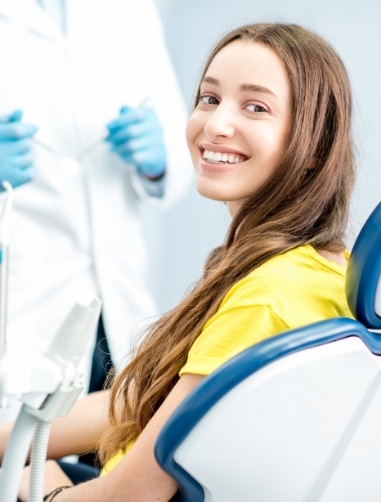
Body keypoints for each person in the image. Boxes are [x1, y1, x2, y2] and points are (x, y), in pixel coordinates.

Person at [14, 21, 355, 501]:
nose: (215, 124)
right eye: (209, 98)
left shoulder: (267, 296)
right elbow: (153, 395)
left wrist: (44, 491)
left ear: (314, 147)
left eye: (255, 107)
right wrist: (16, 436)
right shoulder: (318, 265)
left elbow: (132, 496)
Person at [0, 0, 192, 402]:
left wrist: (159, 159)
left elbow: (182, 146)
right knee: (25, 455)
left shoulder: (131, 11)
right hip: (21, 304)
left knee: (113, 442)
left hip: (117, 301)